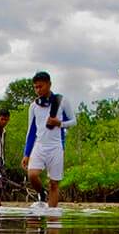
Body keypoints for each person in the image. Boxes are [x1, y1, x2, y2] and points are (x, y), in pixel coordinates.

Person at [21, 71, 77, 208]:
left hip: (56, 145)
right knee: (32, 175)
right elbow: (31, 131)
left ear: (49, 84)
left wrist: (59, 123)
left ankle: (52, 219)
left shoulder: (61, 101)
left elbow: (74, 121)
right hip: (39, 145)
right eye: (35, 87)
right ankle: (41, 193)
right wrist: (26, 154)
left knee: (54, 183)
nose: (38, 90)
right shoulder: (33, 106)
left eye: (41, 86)